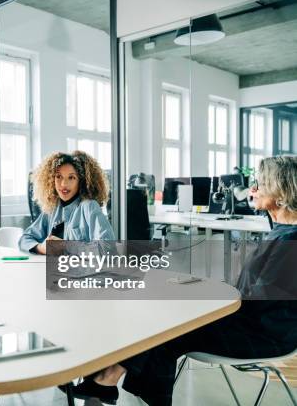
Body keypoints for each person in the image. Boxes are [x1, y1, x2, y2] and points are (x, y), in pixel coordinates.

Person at [68, 155, 297, 405]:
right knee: (163, 315)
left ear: (281, 190)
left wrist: (207, 297)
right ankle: (108, 379)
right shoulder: (281, 231)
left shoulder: (290, 240)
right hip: (248, 319)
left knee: (168, 325)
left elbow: (257, 302)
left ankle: (108, 379)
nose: (253, 190)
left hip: (264, 333)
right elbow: (251, 293)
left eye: (260, 184)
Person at [19, 151, 114, 254]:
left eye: (71, 177)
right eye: (58, 177)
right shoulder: (53, 208)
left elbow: (108, 249)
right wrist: (41, 248)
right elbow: (24, 239)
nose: (64, 184)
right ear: (51, 180)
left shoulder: (89, 206)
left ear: (81, 181)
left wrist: (67, 246)